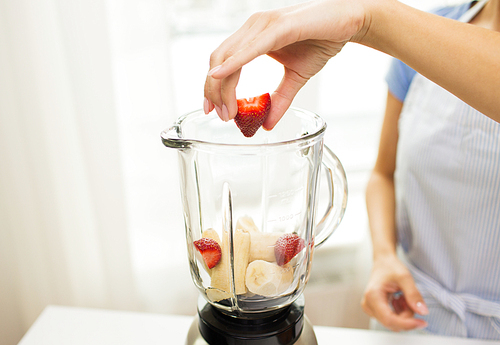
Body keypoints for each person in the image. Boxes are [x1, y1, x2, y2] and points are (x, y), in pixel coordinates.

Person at [203, 0, 500, 340]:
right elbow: (383, 175)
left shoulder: (417, 34)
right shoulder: (435, 30)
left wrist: (367, 17)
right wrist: (386, 258)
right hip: (414, 311)